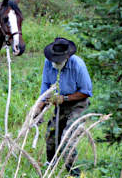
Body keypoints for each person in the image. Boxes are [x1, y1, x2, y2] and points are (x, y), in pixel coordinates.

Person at [36, 37, 92, 177]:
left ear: (66, 58)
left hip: (78, 104)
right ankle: (50, 165)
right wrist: (39, 107)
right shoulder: (48, 63)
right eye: (54, 59)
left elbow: (86, 92)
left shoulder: (78, 65)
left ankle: (74, 173)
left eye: (59, 61)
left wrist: (64, 98)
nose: (55, 63)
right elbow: (46, 85)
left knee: (67, 138)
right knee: (51, 134)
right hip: (60, 103)